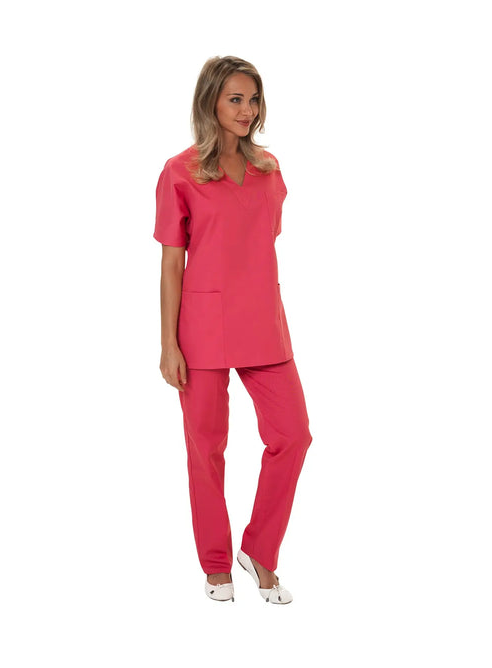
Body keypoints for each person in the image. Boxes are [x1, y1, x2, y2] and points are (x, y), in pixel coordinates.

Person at [153, 55, 313, 604]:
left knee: (293, 435)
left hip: (263, 322)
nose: (247, 110)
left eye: (253, 98)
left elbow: (262, 241)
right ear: (211, 103)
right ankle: (216, 564)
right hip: (202, 327)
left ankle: (260, 551)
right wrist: (168, 343)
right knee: (206, 448)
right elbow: (172, 264)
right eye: (235, 99)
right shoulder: (180, 172)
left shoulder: (269, 169)